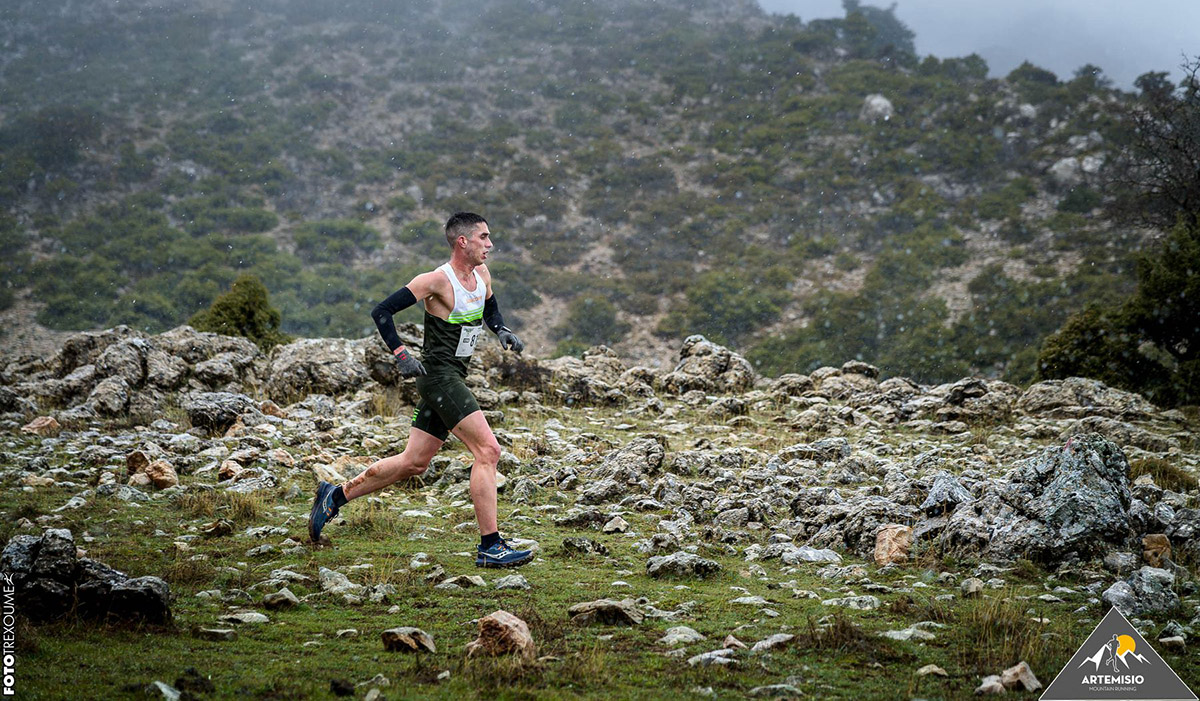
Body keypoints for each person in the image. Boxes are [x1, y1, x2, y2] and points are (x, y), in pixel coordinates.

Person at [308, 212, 533, 568]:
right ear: (463, 241)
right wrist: (402, 355)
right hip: (440, 378)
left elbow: (489, 306)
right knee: (488, 451)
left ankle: (334, 496)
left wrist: (501, 329)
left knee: (414, 462)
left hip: (452, 377)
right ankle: (490, 545)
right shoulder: (435, 281)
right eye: (484, 237)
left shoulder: (481, 275)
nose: (490, 244)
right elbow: (381, 311)